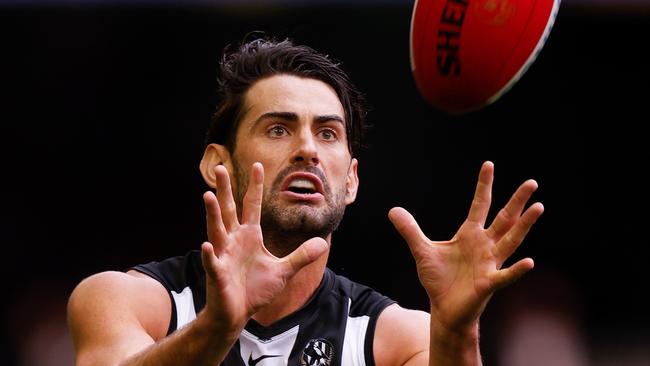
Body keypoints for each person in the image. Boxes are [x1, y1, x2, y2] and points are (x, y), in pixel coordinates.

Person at [67, 36, 544, 366]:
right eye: (278, 128)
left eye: (328, 133)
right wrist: (218, 327)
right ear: (218, 165)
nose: (308, 149)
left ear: (352, 180)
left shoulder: (395, 339)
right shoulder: (124, 300)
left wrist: (458, 333)